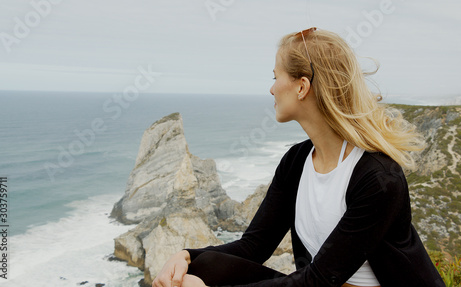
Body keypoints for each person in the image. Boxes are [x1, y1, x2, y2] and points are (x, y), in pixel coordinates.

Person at [152, 27, 445, 287]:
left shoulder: (378, 177)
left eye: (275, 76)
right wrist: (186, 256)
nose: (271, 88)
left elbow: (319, 280)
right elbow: (254, 245)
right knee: (204, 268)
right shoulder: (296, 161)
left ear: (302, 86)